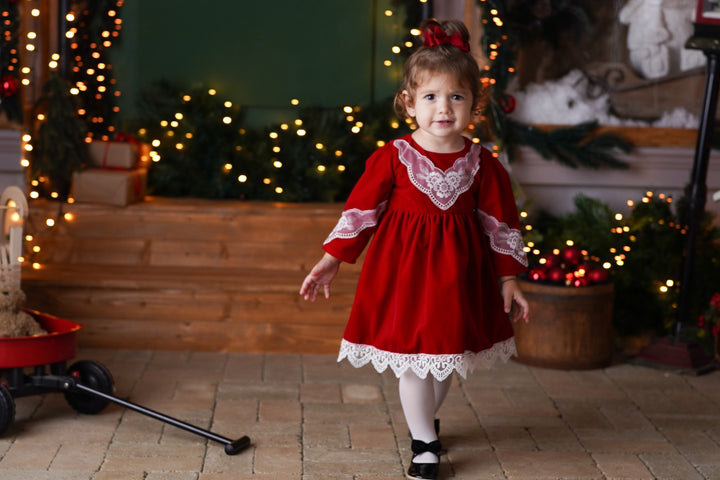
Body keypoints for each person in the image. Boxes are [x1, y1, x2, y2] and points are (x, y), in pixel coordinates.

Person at [300, 18, 529, 480]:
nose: (443, 108)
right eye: (430, 97)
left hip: (460, 277)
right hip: (403, 273)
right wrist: (331, 260)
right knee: (414, 362)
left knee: (445, 357)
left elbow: (500, 223)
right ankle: (424, 442)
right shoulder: (394, 156)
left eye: (456, 97)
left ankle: (426, 420)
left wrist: (509, 278)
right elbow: (361, 212)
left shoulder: (483, 163)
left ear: (475, 105)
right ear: (408, 103)